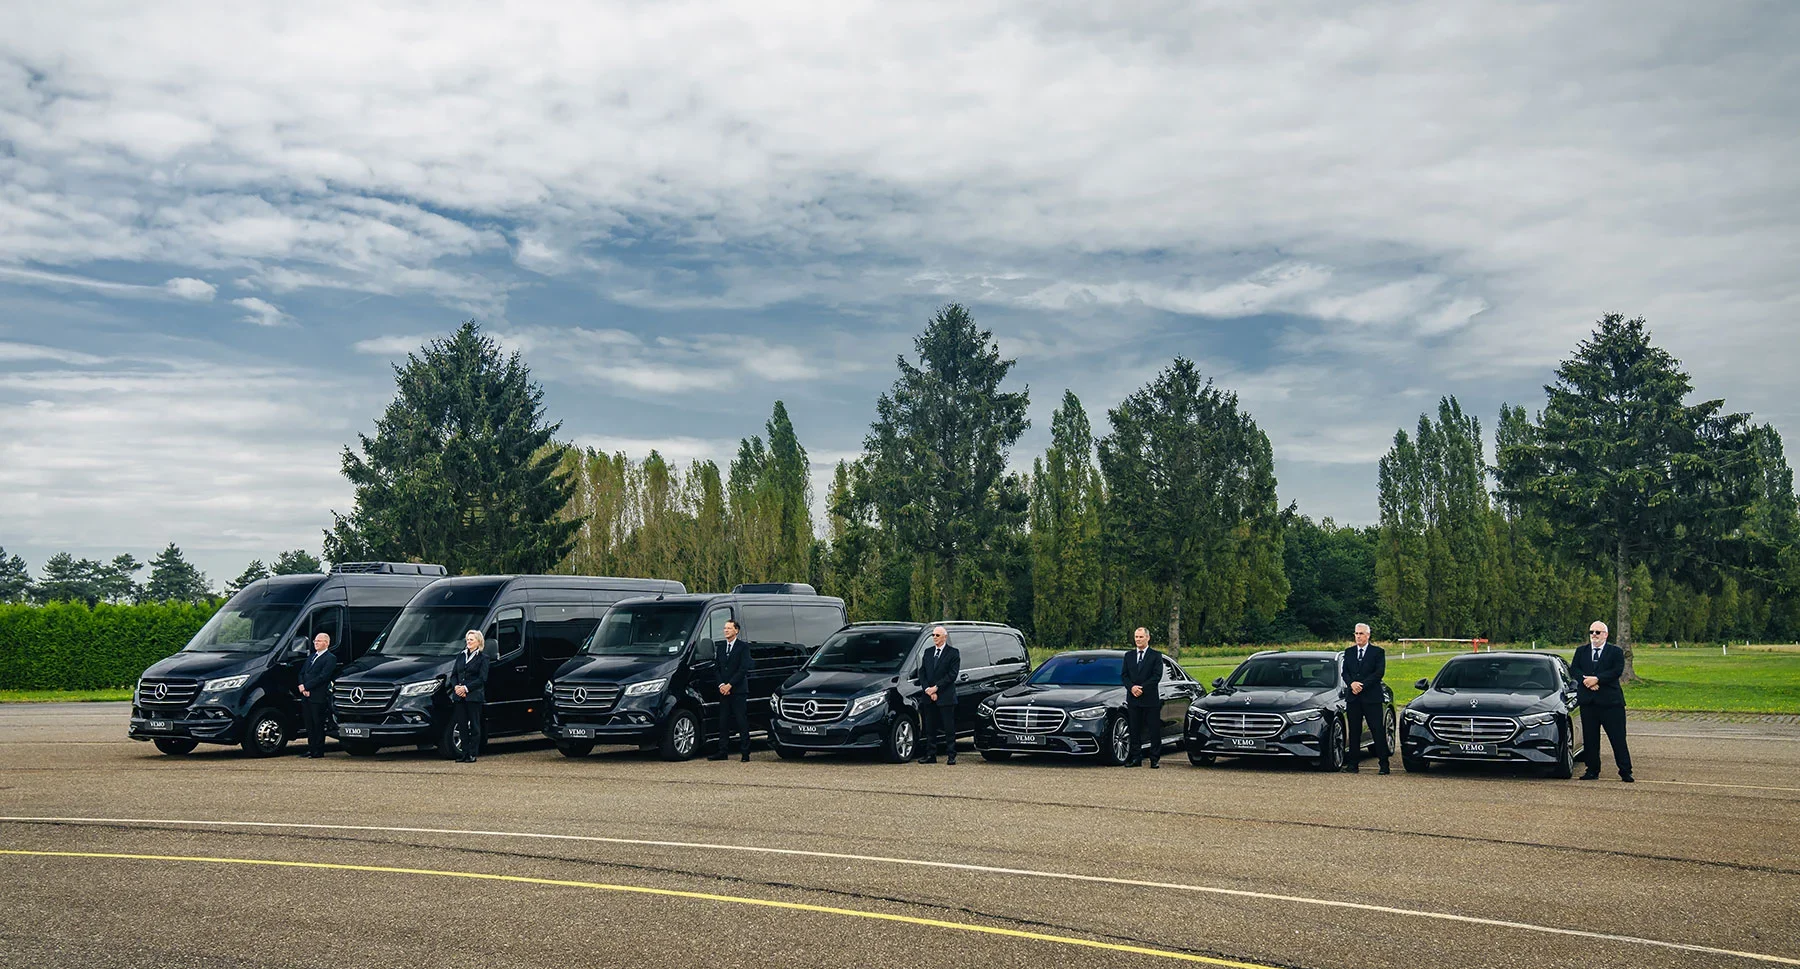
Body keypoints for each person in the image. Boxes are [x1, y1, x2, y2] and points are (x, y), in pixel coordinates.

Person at [1570, 621, 1633, 782]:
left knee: (1617, 738)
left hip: (1611, 703)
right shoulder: (1581, 651)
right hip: (1589, 703)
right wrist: (1587, 682)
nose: (1594, 635)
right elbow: (1575, 669)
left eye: (1597, 632)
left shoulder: (1615, 652)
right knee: (1590, 739)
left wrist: (1597, 679)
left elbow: (1616, 670)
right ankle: (1592, 770)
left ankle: (1625, 770)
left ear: (1605, 634)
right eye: (1591, 632)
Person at [1341, 623, 1390, 774]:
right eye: (1356, 633)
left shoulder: (1377, 652)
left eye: (1361, 633)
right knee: (1354, 732)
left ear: (1368, 635)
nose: (1358, 636)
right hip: (1353, 698)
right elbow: (1345, 672)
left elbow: (1378, 673)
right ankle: (1353, 764)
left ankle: (1384, 765)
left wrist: (1362, 685)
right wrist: (1352, 684)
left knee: (1377, 730)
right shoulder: (1349, 652)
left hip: (1371, 698)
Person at [709, 618, 754, 762]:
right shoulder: (721, 647)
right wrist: (721, 685)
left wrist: (730, 685)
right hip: (724, 691)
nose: (726, 630)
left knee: (741, 720)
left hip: (738, 690)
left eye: (729, 628)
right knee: (723, 721)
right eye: (725, 628)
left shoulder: (743, 647)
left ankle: (745, 752)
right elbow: (717, 668)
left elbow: (743, 668)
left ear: (736, 630)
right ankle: (722, 751)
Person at [914, 625, 959, 765]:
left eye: (937, 635)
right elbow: (922, 672)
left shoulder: (953, 653)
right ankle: (930, 755)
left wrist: (936, 688)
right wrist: (928, 689)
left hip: (945, 696)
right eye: (933, 635)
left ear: (944, 637)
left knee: (948, 727)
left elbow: (952, 675)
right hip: (929, 696)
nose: (934, 637)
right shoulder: (928, 652)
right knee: (930, 727)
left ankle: (951, 755)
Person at [1120, 627, 1163, 768]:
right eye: (1136, 637)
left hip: (1150, 699)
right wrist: (1132, 687)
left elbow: (1156, 676)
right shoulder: (1129, 656)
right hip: (1133, 699)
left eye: (1141, 637)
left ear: (1148, 638)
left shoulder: (1156, 656)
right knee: (1134, 729)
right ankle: (1136, 758)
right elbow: (1124, 675)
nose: (1138, 640)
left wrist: (1142, 688)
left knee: (1154, 730)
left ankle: (1154, 759)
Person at [296, 632, 337, 759]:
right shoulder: (311, 657)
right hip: (306, 695)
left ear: (326, 643)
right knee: (309, 724)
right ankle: (311, 748)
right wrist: (302, 686)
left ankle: (318, 750)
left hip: (318, 696)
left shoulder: (330, 658)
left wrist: (307, 686)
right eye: (315, 641)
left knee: (317, 723)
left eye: (319, 641)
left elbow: (323, 676)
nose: (316, 643)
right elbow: (302, 673)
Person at [449, 629, 488, 763]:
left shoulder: (483, 658)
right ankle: (464, 753)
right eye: (467, 639)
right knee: (462, 725)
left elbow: (482, 678)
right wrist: (456, 687)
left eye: (471, 639)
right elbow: (454, 675)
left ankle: (472, 753)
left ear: (478, 641)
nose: (468, 642)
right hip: (459, 696)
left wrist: (466, 688)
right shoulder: (461, 656)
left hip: (474, 696)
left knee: (475, 726)